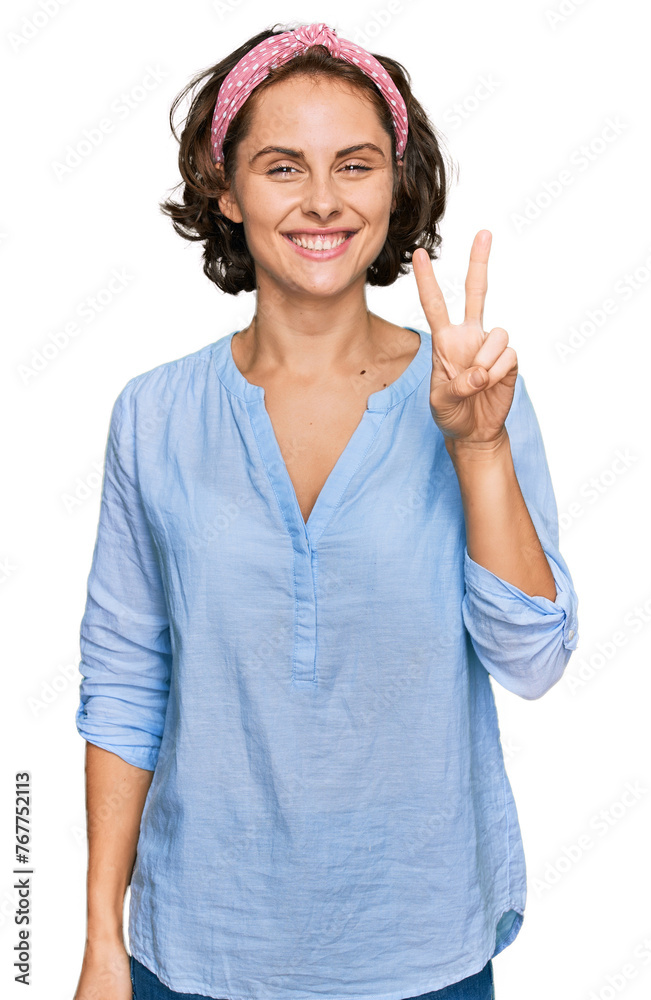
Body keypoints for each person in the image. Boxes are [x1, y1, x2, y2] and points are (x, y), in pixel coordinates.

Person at [73, 21, 579, 1000]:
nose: (323, 200)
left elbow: (536, 658)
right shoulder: (155, 417)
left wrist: (478, 444)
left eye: (355, 164)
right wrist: (103, 941)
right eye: (281, 166)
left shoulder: (471, 390)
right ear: (225, 188)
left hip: (420, 953)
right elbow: (126, 685)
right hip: (197, 955)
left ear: (397, 183)